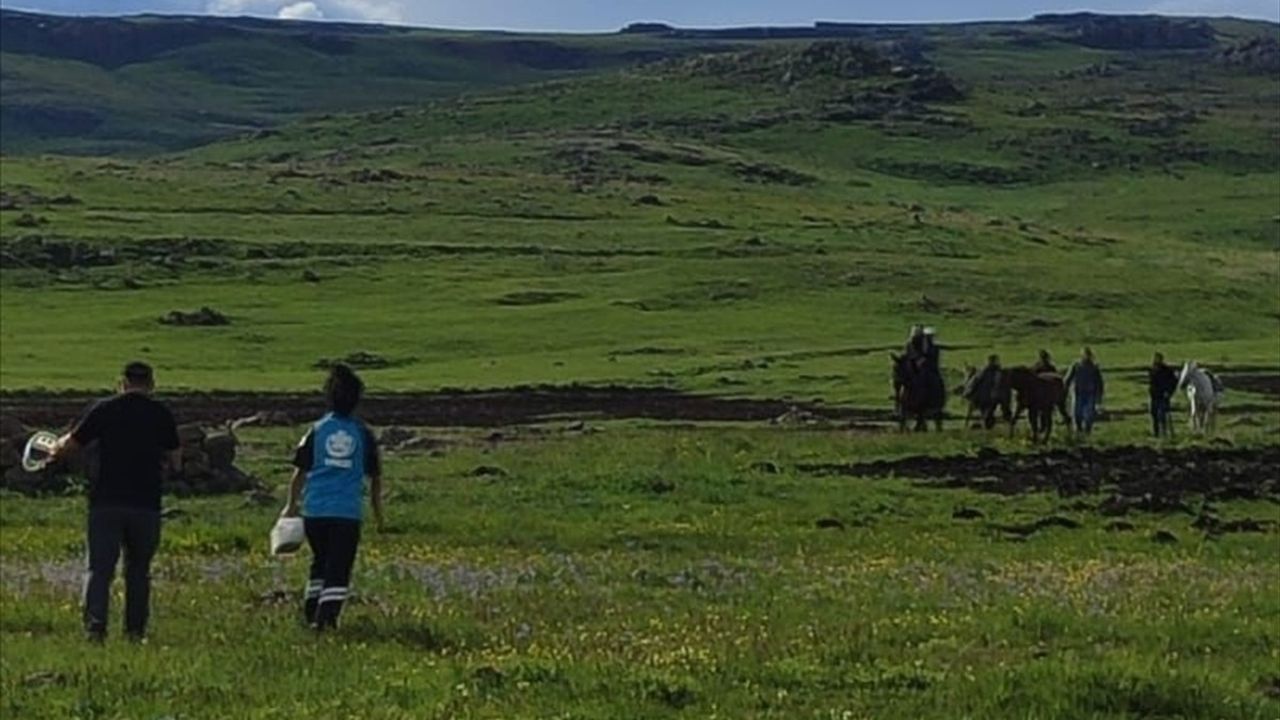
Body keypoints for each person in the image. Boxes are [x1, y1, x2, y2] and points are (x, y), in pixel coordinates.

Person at [46, 361, 181, 643]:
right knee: (139, 571)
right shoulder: (161, 414)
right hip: (146, 503)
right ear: (152, 384)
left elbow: (71, 445)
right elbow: (175, 459)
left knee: (99, 569)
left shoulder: (104, 409)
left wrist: (52, 448)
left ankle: (95, 628)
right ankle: (135, 632)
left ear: (121, 382)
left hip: (106, 501)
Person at [283, 364, 384, 631]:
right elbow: (375, 477)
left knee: (320, 563)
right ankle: (325, 620)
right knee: (339, 568)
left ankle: (310, 610)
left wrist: (291, 505)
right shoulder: (363, 434)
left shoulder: (316, 430)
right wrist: (378, 514)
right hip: (346, 513)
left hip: (314, 511)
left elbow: (299, 472)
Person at [1064, 347, 1105, 434]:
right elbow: (1068, 379)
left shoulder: (1094, 368)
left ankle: (1087, 432)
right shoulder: (1076, 365)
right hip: (1077, 393)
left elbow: (1099, 383)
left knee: (1089, 416)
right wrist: (1065, 390)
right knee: (1076, 414)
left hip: (1090, 393)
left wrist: (1099, 396)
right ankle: (1078, 432)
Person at [1148, 352, 1178, 437]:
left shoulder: (1167, 370)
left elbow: (1174, 382)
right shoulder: (1152, 369)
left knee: (1162, 415)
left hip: (1163, 396)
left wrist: (1169, 392)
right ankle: (1156, 433)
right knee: (1154, 414)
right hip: (1154, 396)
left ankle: (1164, 432)